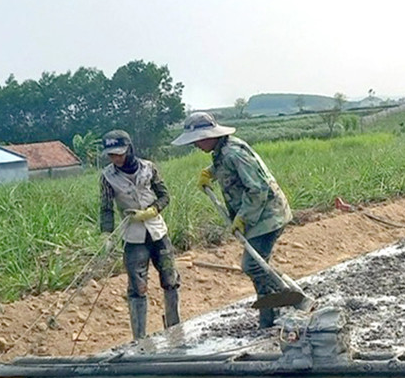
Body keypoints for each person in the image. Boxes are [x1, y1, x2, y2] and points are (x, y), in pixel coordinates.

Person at [172, 112, 292, 329]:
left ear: (208, 136)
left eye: (197, 141)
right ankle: (269, 318)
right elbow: (229, 169)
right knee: (260, 268)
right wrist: (210, 172)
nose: (196, 146)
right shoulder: (223, 152)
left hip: (267, 216)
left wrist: (242, 218)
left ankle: (293, 299)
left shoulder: (232, 153)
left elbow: (258, 188)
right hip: (260, 216)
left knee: (253, 267)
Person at [99, 130, 180, 340]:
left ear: (129, 149)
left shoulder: (148, 168)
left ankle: (174, 327)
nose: (115, 159)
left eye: (119, 154)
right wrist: (106, 234)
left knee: (170, 279)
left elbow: (164, 195)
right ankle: (140, 337)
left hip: (157, 231)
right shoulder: (108, 177)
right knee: (137, 287)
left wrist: (152, 210)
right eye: (111, 155)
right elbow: (106, 208)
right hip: (133, 237)